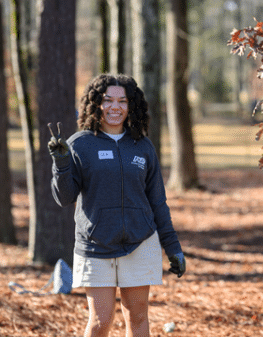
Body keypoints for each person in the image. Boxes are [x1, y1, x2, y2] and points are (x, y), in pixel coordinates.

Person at [48, 74, 186, 337]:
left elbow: (158, 201)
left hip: (140, 243)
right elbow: (64, 198)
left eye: (122, 101)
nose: (115, 107)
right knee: (101, 321)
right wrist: (62, 164)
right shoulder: (80, 144)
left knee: (138, 318)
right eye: (108, 100)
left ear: (130, 105)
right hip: (95, 245)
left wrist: (173, 248)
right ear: (96, 104)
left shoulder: (142, 146)